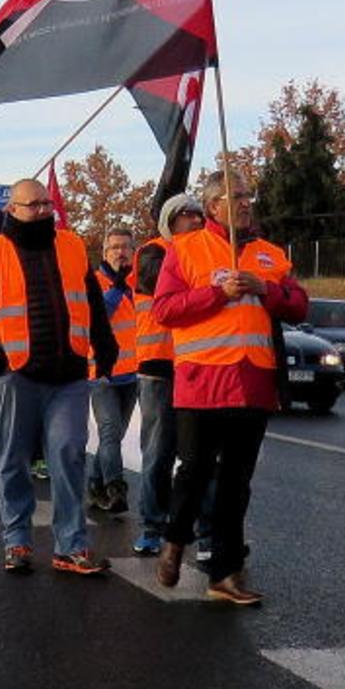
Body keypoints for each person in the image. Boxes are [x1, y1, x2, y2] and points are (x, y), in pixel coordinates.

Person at [153, 172, 308, 607]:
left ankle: (223, 573)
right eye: (234, 197)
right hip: (203, 380)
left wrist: (267, 290)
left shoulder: (269, 254)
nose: (245, 203)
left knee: (237, 482)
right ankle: (174, 540)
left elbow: (298, 305)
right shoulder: (184, 248)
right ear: (212, 206)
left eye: (247, 195)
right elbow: (165, 309)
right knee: (195, 469)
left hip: (253, 381)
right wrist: (216, 293)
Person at [0, 179, 116, 576]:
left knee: (69, 454)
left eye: (47, 204)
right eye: (34, 205)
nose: (45, 211)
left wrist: (105, 342)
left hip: (70, 374)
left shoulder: (73, 246)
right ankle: (17, 541)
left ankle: (71, 546)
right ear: (13, 209)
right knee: (14, 459)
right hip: (16, 375)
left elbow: (92, 301)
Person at [130, 193, 205, 556]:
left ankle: (206, 532)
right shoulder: (153, 252)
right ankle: (152, 525)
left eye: (198, 215)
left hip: (198, 365)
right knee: (158, 453)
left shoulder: (206, 252)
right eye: (186, 215)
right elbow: (166, 288)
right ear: (169, 221)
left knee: (202, 456)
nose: (194, 221)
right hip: (158, 365)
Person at [87, 227, 140, 516]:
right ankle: (115, 488)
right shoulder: (95, 281)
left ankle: (94, 487)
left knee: (115, 436)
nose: (120, 252)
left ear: (133, 252)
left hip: (132, 373)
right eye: (115, 247)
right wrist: (116, 290)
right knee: (109, 431)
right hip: (102, 373)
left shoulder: (139, 282)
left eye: (126, 247)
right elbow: (96, 318)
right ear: (105, 253)